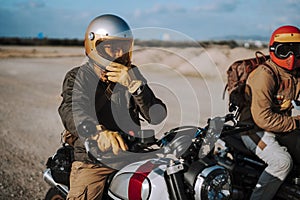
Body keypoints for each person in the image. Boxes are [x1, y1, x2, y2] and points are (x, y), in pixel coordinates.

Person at [58, 14, 167, 200]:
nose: (118, 54)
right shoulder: (79, 76)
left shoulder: (131, 73)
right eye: (111, 48)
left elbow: (156, 116)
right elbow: (72, 109)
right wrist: (97, 132)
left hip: (132, 153)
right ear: (94, 47)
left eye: (123, 48)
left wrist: (136, 86)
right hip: (94, 161)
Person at [240, 25, 300, 199]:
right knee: (281, 162)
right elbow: (263, 119)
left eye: (296, 50)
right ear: (273, 50)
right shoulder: (264, 75)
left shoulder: (295, 75)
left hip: (281, 126)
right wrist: (296, 122)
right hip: (253, 129)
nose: (291, 57)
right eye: (284, 51)